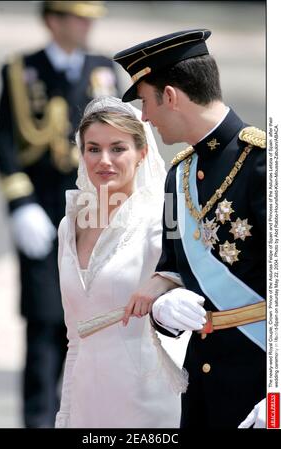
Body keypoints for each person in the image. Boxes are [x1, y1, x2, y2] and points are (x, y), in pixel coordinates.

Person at [113, 29, 266, 429]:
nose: (144, 116)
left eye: (145, 102)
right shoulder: (176, 177)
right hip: (201, 384)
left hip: (259, 384)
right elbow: (174, 266)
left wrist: (279, 397)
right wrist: (162, 307)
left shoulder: (264, 166)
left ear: (170, 96)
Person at [0, 1, 120, 428]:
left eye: (90, 18)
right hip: (41, 216)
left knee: (91, 324)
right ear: (54, 20)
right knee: (45, 325)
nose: (88, 26)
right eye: (79, 17)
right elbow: (5, 143)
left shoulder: (103, 70)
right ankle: (37, 421)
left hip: (91, 217)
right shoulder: (19, 69)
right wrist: (19, 206)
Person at [55, 96, 186, 428]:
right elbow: (75, 337)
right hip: (86, 402)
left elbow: (187, 295)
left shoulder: (162, 216)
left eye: (118, 148)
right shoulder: (69, 224)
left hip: (147, 401)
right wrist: (66, 412)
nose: (105, 161)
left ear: (142, 153)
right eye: (93, 149)